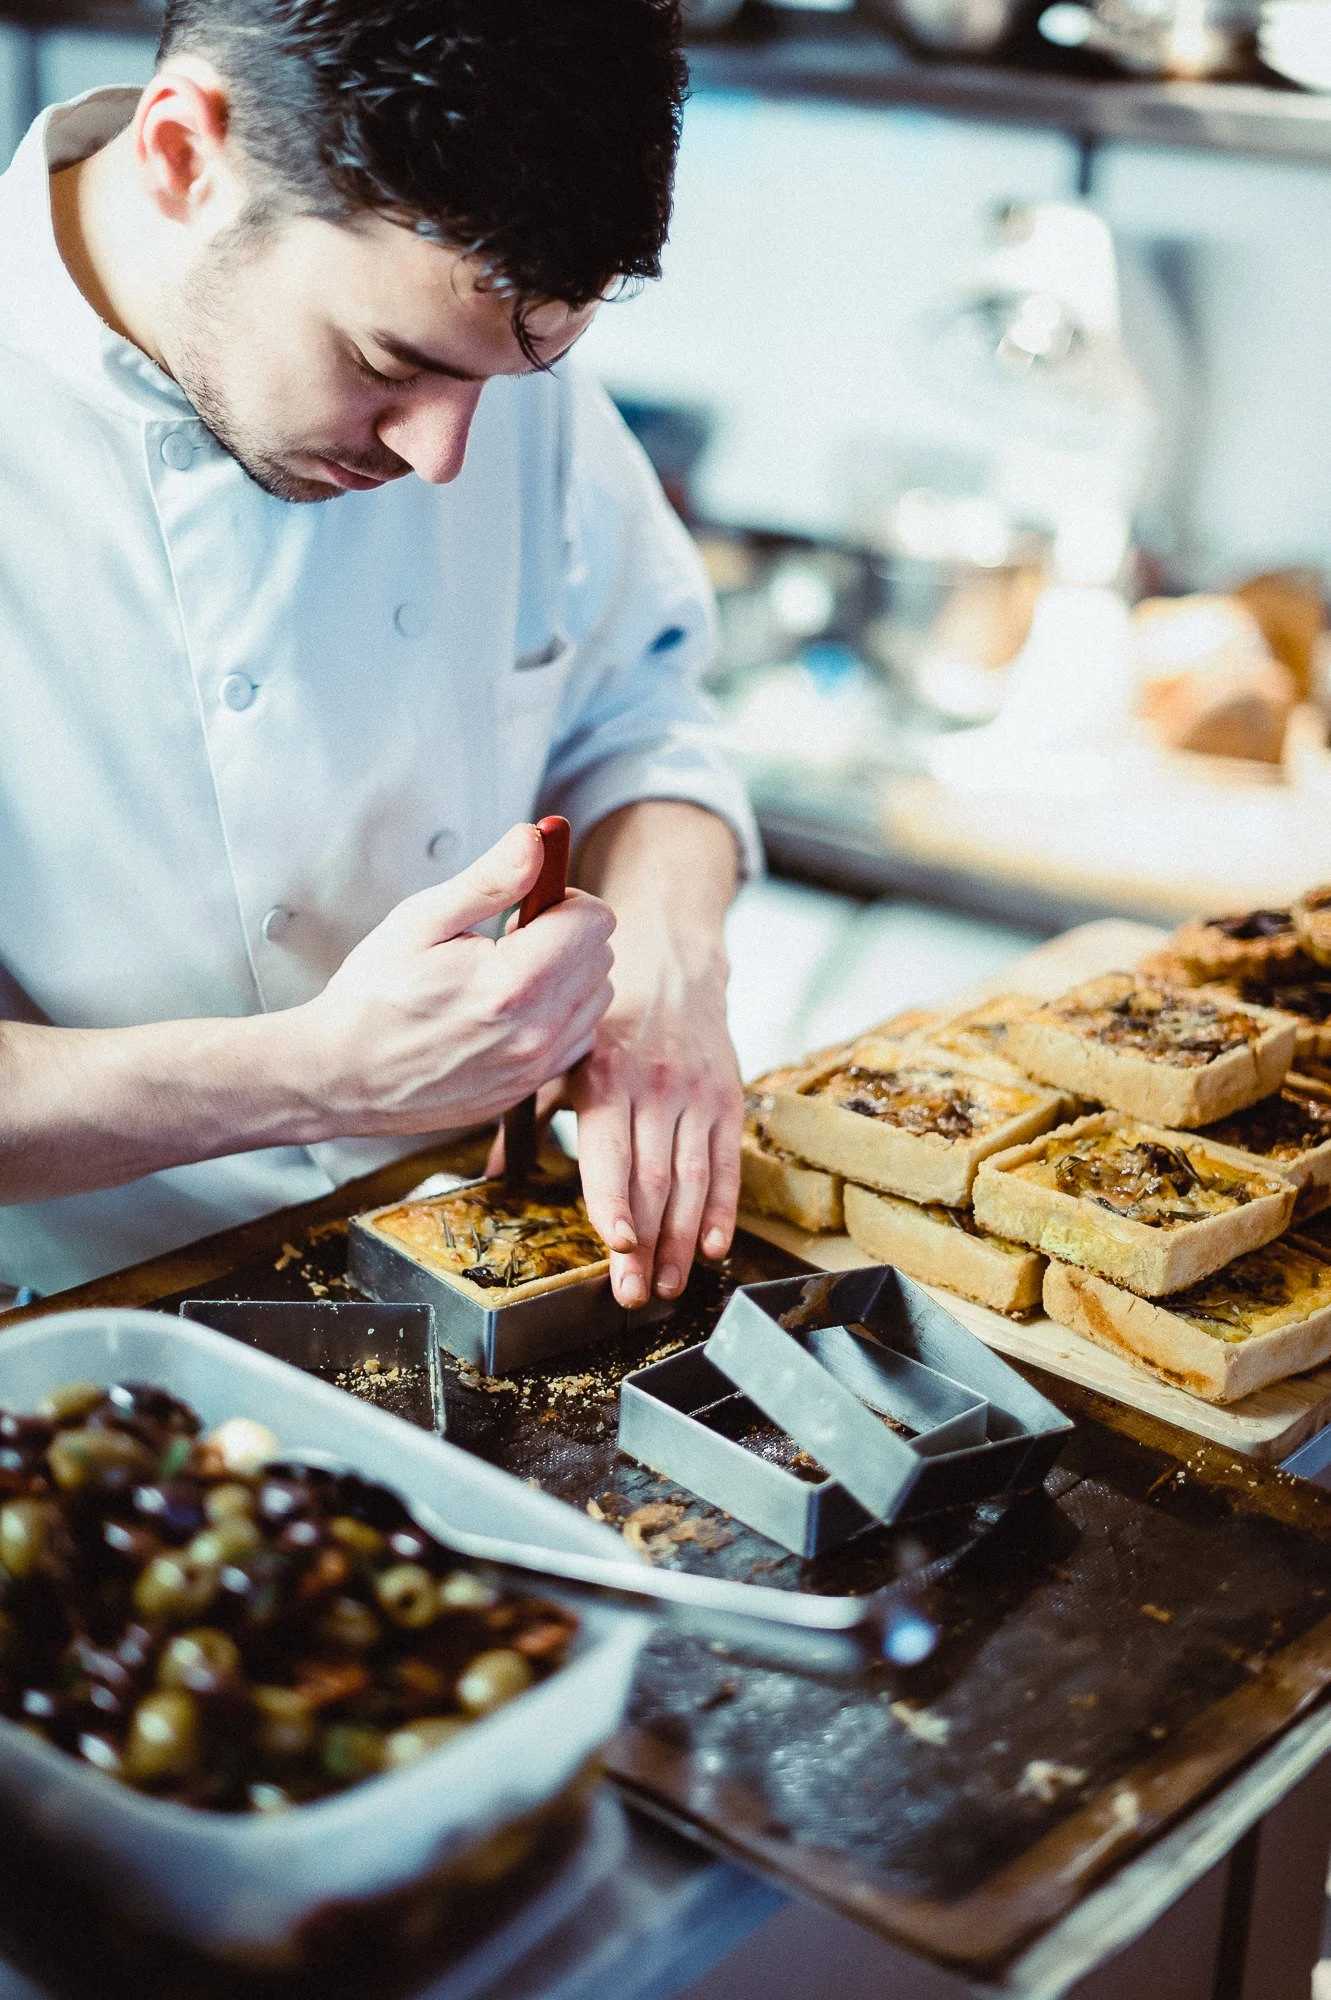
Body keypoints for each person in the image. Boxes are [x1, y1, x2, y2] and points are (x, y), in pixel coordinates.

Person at [0, 0, 759, 1309]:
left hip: (470, 1244)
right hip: (78, 1319)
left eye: (501, 382)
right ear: (183, 156)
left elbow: (641, 709)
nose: (439, 456)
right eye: (383, 362)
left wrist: (668, 961)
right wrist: (318, 1073)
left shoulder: (475, 340)